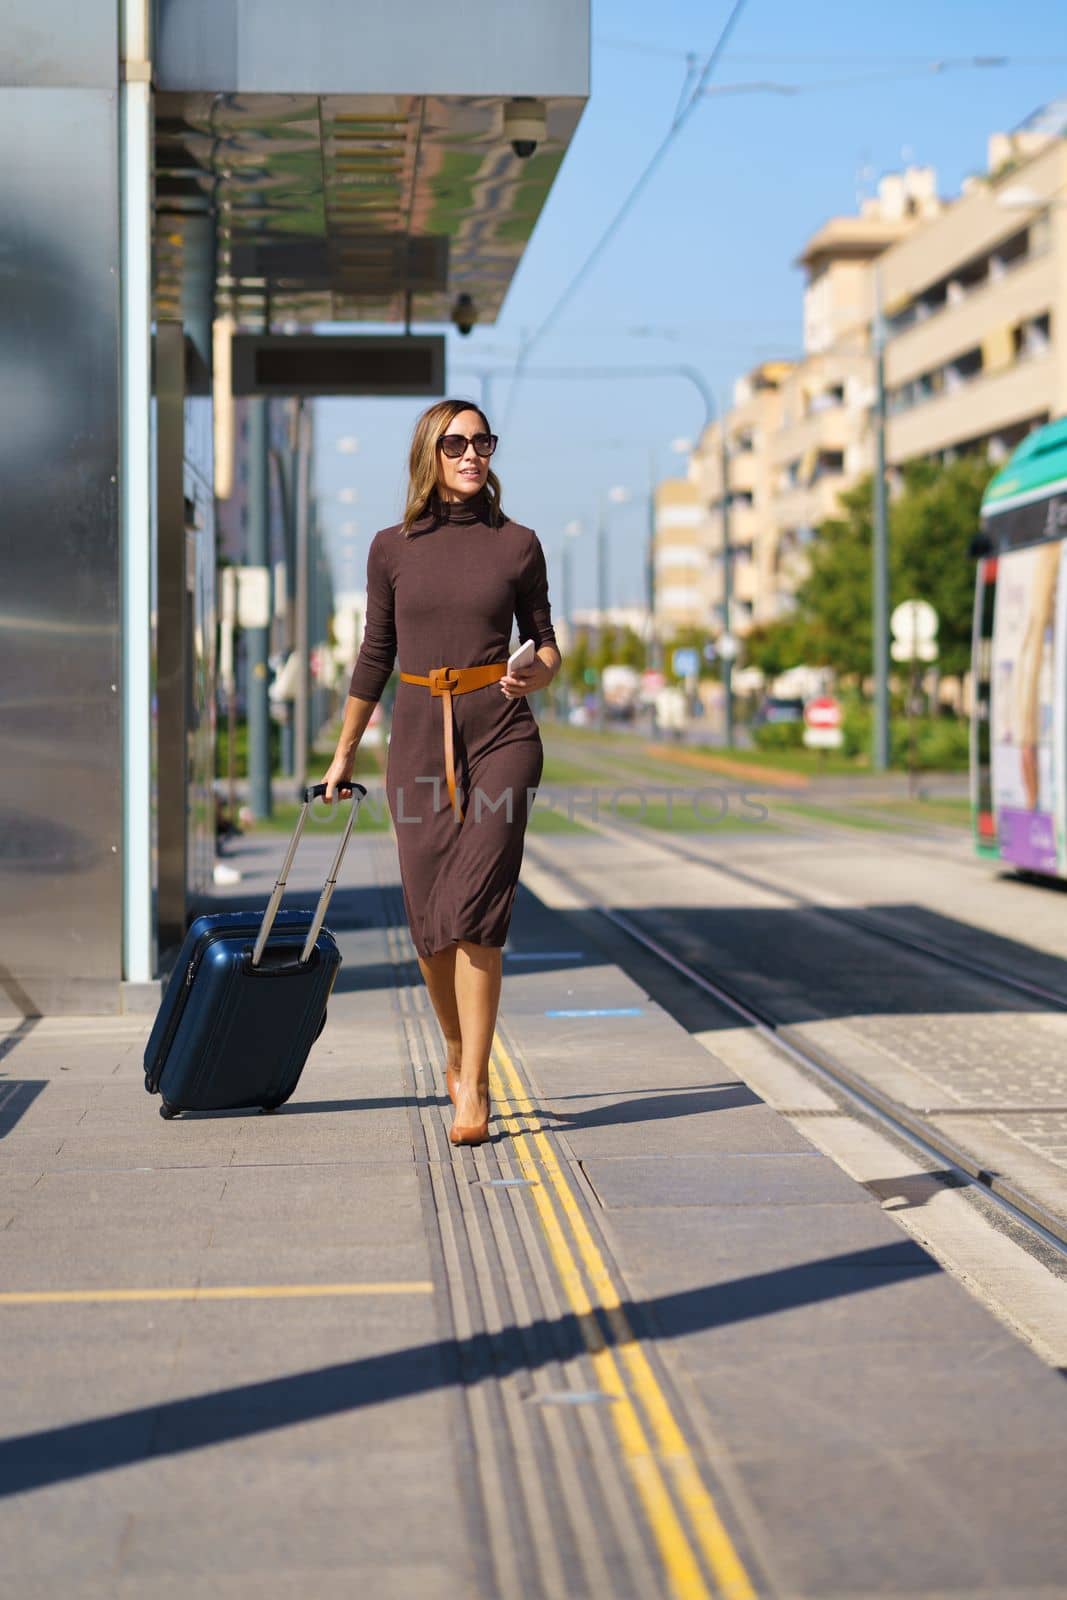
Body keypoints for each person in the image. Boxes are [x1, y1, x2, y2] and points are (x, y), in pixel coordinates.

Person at [321, 400, 562, 1145]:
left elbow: (547, 644)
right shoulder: (390, 548)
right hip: (420, 738)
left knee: (475, 914)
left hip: (501, 735)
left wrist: (535, 676)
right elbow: (374, 656)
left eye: (481, 441)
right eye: (456, 442)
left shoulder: (517, 544)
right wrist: (342, 753)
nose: (471, 454)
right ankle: (454, 1051)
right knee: (430, 927)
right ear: (429, 452)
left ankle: (476, 1087)